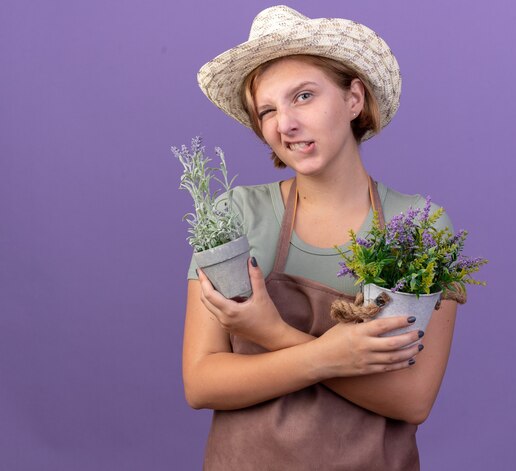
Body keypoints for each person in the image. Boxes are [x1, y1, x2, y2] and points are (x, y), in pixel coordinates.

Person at [182, 6, 457, 470]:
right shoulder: (236, 216)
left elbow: (412, 400)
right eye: (267, 111)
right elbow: (202, 382)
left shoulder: (417, 226)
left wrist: (271, 333)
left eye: (303, 96)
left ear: (354, 99)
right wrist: (330, 355)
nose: (283, 124)